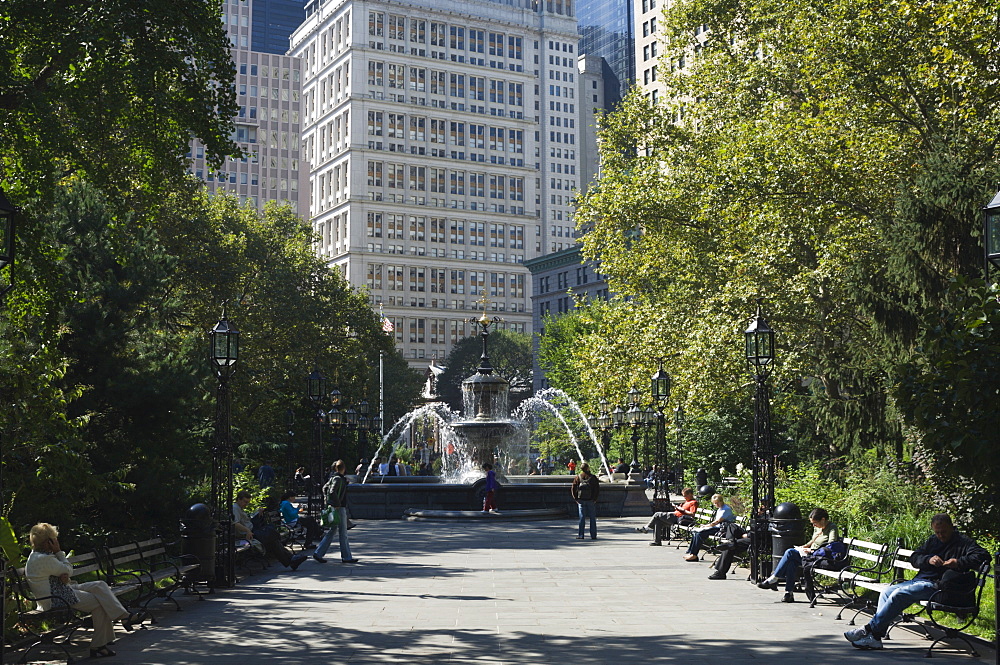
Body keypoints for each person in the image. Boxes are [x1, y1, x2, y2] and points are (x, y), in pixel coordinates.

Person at [844, 513, 989, 650]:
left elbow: (984, 556)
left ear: (952, 527)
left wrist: (958, 562)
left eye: (943, 531)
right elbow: (914, 558)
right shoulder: (933, 541)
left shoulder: (964, 542)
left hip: (940, 587)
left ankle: (868, 630)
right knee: (887, 592)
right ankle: (875, 638)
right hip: (920, 580)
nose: (940, 535)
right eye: (937, 532)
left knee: (899, 594)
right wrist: (928, 559)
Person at [25, 523, 141, 658]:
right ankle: (100, 644)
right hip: (55, 599)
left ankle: (123, 617)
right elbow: (68, 570)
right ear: (48, 541)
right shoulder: (44, 558)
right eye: (54, 539)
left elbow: (60, 574)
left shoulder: (37, 555)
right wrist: (58, 552)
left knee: (99, 585)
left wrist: (63, 577)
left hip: (58, 591)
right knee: (99, 602)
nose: (56, 541)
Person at [757, 508, 839, 601]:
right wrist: (803, 547)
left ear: (823, 520)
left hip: (820, 558)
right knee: (791, 561)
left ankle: (775, 579)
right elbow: (813, 541)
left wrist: (812, 550)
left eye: (815, 523)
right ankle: (788, 593)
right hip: (810, 556)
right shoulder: (817, 528)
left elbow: (831, 545)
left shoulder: (832, 528)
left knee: (790, 552)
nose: (813, 525)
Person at [233, 490, 307, 570]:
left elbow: (247, 521)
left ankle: (291, 560)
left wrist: (258, 514)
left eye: (247, 502)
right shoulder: (235, 508)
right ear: (239, 499)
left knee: (272, 538)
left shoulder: (239, 508)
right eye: (245, 502)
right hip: (248, 534)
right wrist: (247, 531)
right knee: (271, 536)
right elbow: (235, 523)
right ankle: (291, 559)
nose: (246, 504)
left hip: (252, 530)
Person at [313, 459, 359, 563]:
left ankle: (318, 553)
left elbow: (325, 488)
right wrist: (336, 504)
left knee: (332, 531)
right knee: (343, 533)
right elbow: (332, 491)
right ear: (343, 468)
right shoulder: (338, 479)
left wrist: (328, 502)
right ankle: (346, 557)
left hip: (335, 507)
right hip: (339, 508)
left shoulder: (334, 477)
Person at [683, 494, 734, 561]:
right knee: (695, 532)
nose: (716, 504)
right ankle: (691, 552)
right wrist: (706, 526)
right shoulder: (720, 509)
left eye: (717, 502)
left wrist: (706, 526)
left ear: (721, 501)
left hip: (721, 529)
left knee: (699, 534)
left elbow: (717, 521)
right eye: (715, 503)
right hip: (716, 527)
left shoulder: (726, 509)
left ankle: (694, 555)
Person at [571, 463, 600, 540]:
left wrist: (576, 498)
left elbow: (573, 488)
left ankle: (581, 535)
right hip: (590, 500)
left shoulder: (578, 477)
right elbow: (597, 489)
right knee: (592, 518)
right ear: (587, 468)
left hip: (581, 500)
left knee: (582, 518)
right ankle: (593, 535)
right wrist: (595, 499)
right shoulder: (592, 477)